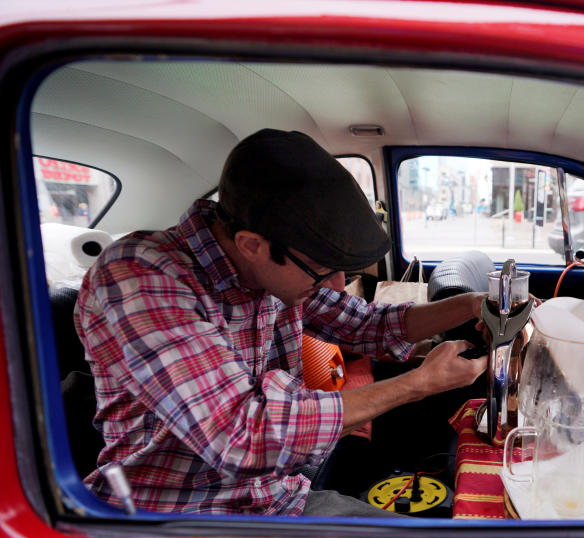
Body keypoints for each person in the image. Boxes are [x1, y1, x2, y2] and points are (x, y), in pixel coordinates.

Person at [75, 129, 487, 517]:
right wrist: (418, 383)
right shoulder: (142, 279)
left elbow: (368, 326)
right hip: (182, 519)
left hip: (274, 494)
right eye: (323, 271)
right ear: (252, 245)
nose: (339, 286)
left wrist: (472, 305)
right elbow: (240, 436)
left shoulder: (275, 272)